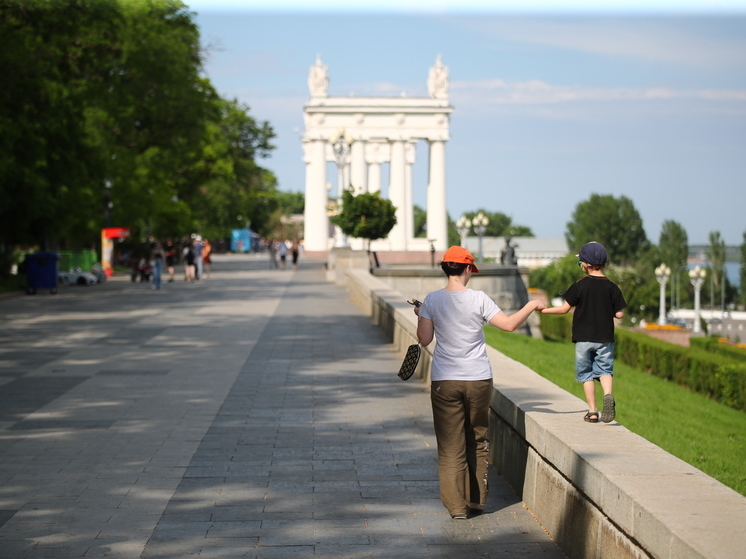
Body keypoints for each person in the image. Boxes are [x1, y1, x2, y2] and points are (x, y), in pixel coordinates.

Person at [414, 246, 545, 519]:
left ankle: (457, 508)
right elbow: (508, 325)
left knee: (451, 446)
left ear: (445, 269)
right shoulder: (479, 298)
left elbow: (424, 340)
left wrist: (423, 315)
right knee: (477, 439)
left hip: (445, 380)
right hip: (478, 379)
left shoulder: (432, 300)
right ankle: (476, 500)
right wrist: (531, 305)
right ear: (466, 270)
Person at [541, 241, 626, 424]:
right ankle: (608, 395)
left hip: (583, 339)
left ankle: (593, 411)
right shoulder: (612, 287)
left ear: (586, 265)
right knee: (604, 370)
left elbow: (564, 309)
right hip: (605, 338)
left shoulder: (579, 285)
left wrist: (543, 310)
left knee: (586, 374)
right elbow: (620, 313)